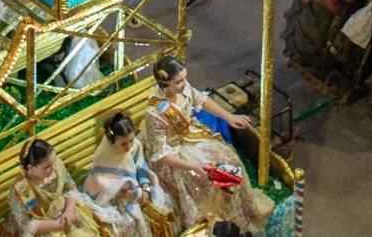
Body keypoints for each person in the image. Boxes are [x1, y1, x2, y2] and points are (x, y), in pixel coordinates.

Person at [142, 56, 272, 228]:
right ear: (165, 84)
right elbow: (161, 155)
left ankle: (240, 214)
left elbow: (201, 100)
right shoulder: (155, 112)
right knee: (207, 180)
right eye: (179, 82)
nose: (184, 84)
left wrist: (229, 116)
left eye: (184, 79)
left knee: (229, 160)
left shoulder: (183, 88)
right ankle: (212, 223)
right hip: (173, 156)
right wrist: (193, 166)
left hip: (191, 137)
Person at [83, 113, 176, 237]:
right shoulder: (104, 156)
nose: (129, 146)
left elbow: (140, 168)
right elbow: (101, 181)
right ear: (112, 141)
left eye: (131, 140)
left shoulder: (135, 146)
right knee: (130, 222)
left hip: (137, 190)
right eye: (123, 144)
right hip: (116, 197)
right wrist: (123, 193)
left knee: (164, 204)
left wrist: (145, 188)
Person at [4, 136, 107, 236]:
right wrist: (59, 225)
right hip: (45, 226)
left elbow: (70, 187)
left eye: (53, 162)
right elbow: (26, 225)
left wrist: (69, 211)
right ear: (30, 168)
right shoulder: (22, 188)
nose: (53, 168)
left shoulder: (55, 165)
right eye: (47, 167)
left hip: (67, 213)